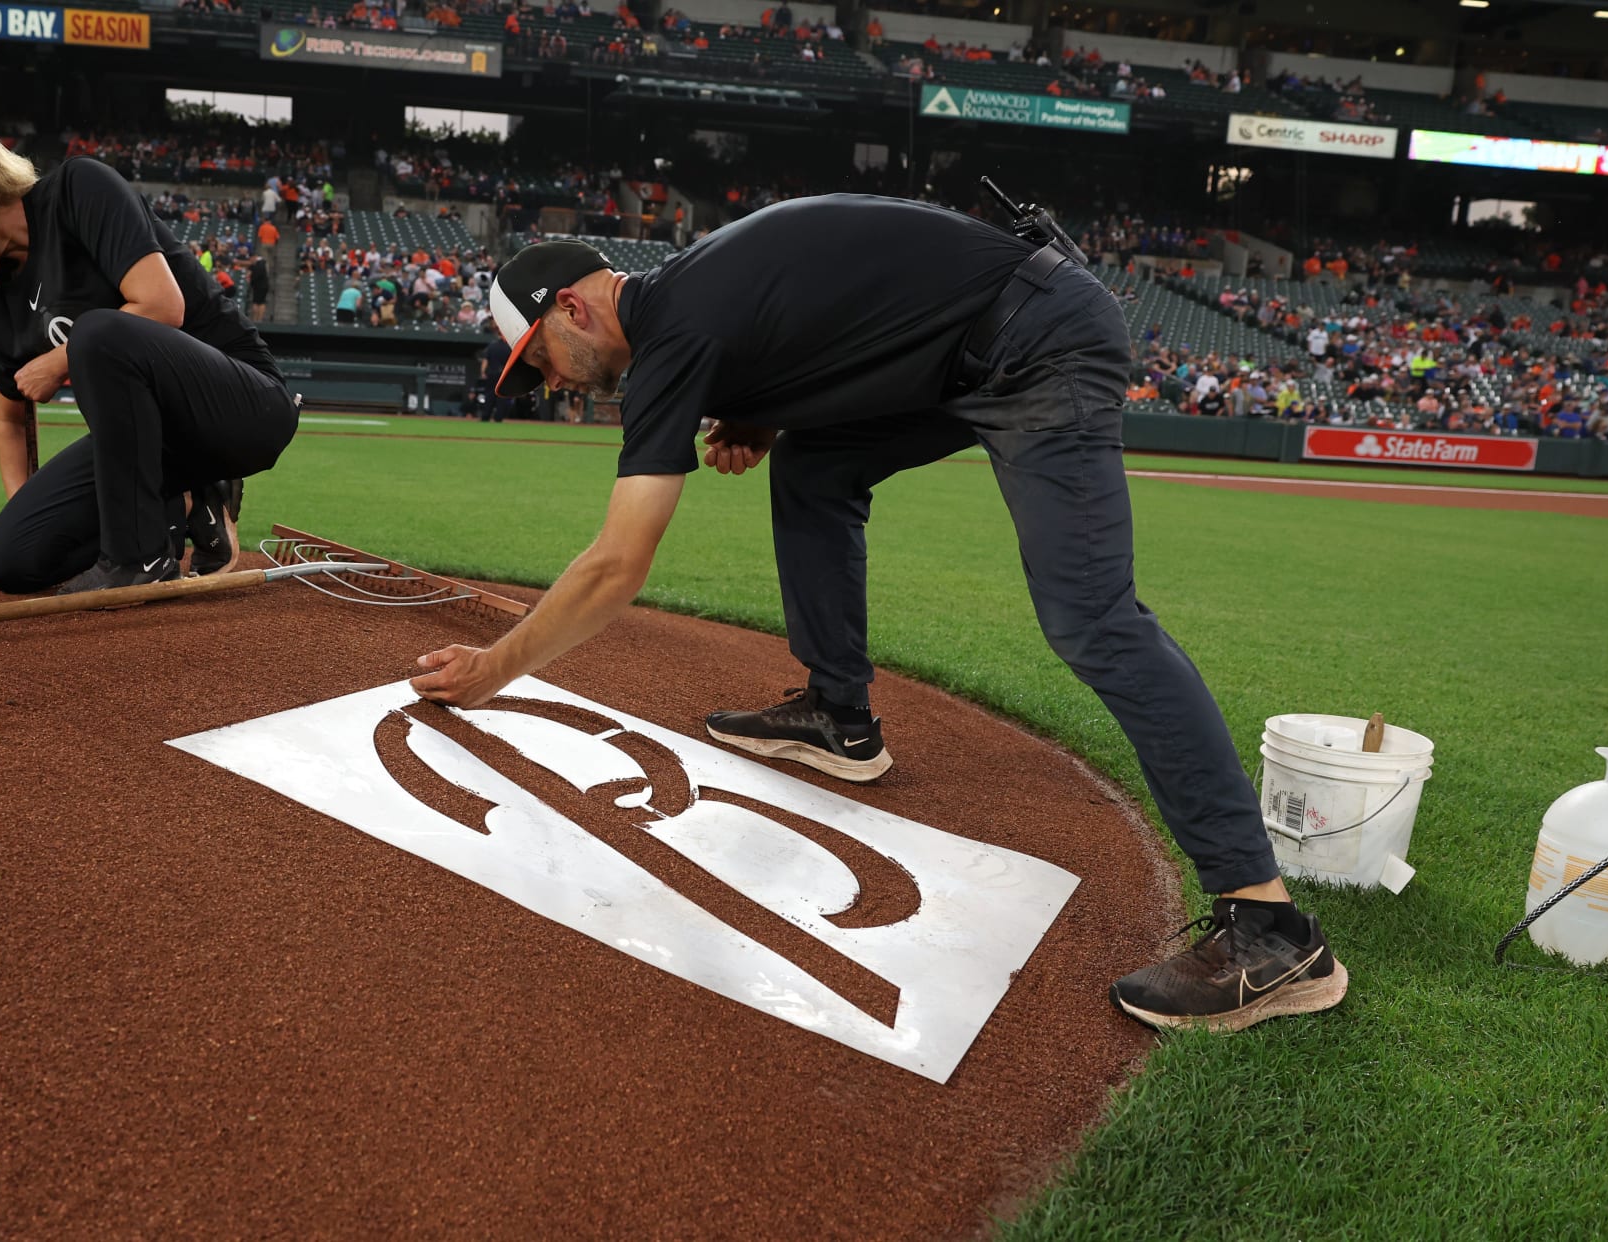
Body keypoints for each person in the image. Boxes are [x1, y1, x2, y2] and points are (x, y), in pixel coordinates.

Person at [409, 199, 1347, 1034]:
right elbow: (831, 309)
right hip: (970, 337)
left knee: (1091, 618)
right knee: (814, 470)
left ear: (571, 307)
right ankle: (839, 717)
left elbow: (619, 562)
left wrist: (495, 669)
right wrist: (769, 408)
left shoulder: (675, 328)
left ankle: (1270, 930)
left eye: (544, 361)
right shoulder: (688, 304)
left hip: (1033, 336)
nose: (555, 383)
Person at [0, 109, 295, 593]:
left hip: (245, 408)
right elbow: (12, 417)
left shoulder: (77, 188)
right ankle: (177, 507)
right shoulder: (2, 306)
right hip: (153, 447)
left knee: (96, 333)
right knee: (10, 560)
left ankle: (141, 558)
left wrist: (57, 361)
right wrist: (27, 512)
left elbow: (161, 305)